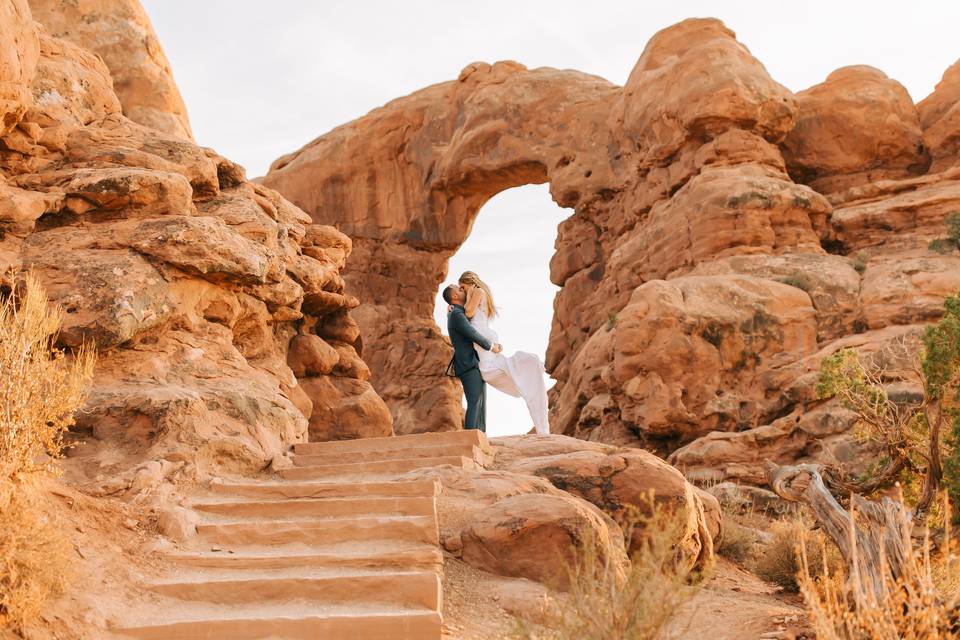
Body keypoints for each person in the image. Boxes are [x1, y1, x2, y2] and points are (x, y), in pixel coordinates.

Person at [457, 271, 551, 435]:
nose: (462, 291)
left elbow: (469, 313)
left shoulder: (477, 291)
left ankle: (524, 366)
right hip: (483, 333)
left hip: (480, 333)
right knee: (489, 369)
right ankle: (521, 369)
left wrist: (457, 306)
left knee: (486, 371)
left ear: (469, 282)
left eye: (462, 287)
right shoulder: (481, 293)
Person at [442, 283, 502, 432]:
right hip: (467, 363)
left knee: (480, 402)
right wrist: (491, 346)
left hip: (474, 362)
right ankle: (470, 439)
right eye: (458, 288)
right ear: (454, 296)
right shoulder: (456, 314)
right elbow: (472, 334)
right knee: (474, 401)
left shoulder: (459, 312)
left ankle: (480, 436)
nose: (462, 289)